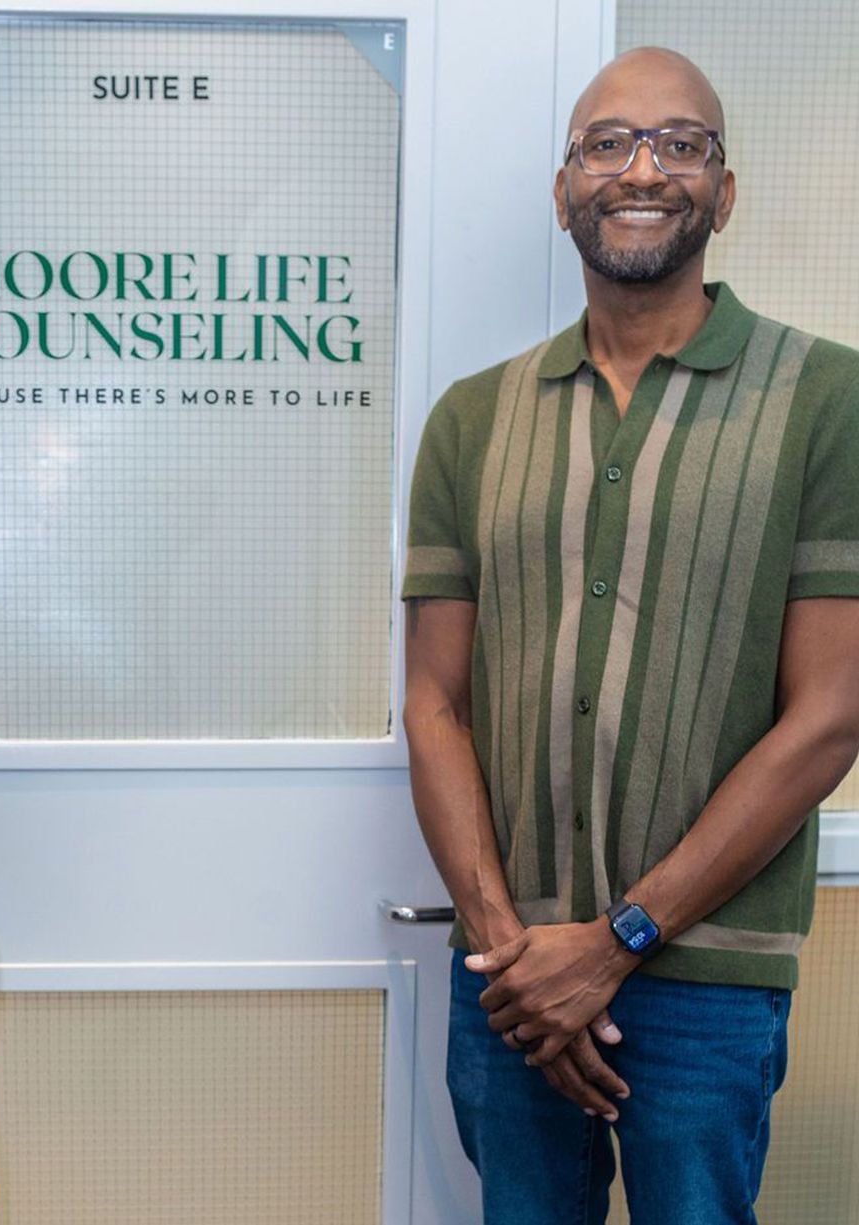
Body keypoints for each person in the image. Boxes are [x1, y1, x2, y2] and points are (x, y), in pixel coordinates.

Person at [402, 47, 859, 1224]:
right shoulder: (471, 420)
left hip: (708, 977)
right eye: (607, 144)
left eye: (680, 144)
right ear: (565, 190)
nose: (643, 170)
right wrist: (512, 952)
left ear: (724, 191)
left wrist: (613, 944)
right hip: (507, 978)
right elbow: (435, 702)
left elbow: (832, 714)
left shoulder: (828, 400)